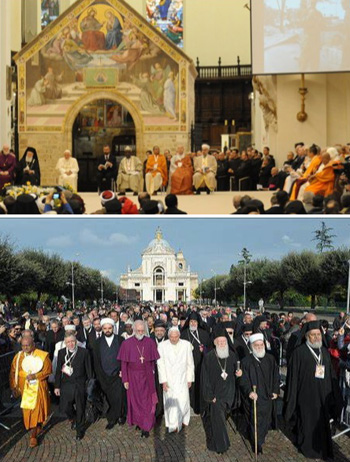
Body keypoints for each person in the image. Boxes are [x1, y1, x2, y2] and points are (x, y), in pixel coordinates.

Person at [284, 321, 343, 460]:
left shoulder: (324, 352)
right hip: (306, 396)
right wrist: (292, 398)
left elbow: (331, 373)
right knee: (307, 423)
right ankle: (307, 448)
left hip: (323, 395)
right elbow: (292, 378)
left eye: (318, 334)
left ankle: (322, 447)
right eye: (313, 335)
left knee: (322, 424)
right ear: (307, 336)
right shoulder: (299, 353)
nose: (316, 337)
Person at [201, 328, 242, 454]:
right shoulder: (208, 357)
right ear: (214, 343)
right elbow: (204, 378)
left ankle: (218, 441)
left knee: (222, 418)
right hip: (216, 395)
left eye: (224, 342)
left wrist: (239, 374)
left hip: (230, 393)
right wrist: (209, 395)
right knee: (217, 420)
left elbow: (237, 374)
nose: (222, 344)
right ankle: (221, 445)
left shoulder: (232, 356)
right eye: (219, 342)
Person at [117, 320, 160, 438]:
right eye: (138, 331)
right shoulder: (127, 343)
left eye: (142, 330)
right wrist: (125, 379)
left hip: (147, 376)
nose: (140, 333)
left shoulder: (150, 342)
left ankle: (146, 426)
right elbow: (124, 363)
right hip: (132, 376)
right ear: (134, 330)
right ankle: (139, 422)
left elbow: (153, 362)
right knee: (135, 401)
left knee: (147, 402)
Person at [239, 333, 280, 454]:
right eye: (256, 345)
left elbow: (276, 376)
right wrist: (249, 392)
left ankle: (260, 438)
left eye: (261, 345)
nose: (259, 347)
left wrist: (275, 390)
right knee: (254, 421)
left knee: (265, 421)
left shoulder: (270, 359)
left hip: (267, 397)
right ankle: (257, 444)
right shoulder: (246, 362)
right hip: (253, 397)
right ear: (251, 346)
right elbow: (243, 380)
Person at [9, 336, 52, 448]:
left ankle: (33, 436)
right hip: (24, 390)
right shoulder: (18, 357)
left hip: (38, 389)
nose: (25, 347)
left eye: (28, 345)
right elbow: (13, 373)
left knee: (36, 410)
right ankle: (35, 427)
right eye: (23, 345)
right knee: (27, 411)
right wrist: (13, 387)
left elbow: (48, 371)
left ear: (33, 344)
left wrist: (36, 376)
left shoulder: (42, 355)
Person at [54, 333, 92, 440]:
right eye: (68, 342)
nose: (70, 344)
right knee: (66, 406)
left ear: (76, 341)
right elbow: (58, 371)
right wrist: (57, 386)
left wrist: (89, 385)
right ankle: (73, 418)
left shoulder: (84, 352)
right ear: (65, 343)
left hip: (80, 384)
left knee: (80, 407)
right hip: (66, 384)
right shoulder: (61, 353)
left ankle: (80, 430)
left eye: (72, 341)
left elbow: (89, 370)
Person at [157, 327, 195, 432]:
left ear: (179, 336)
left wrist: (190, 378)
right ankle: (172, 425)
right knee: (171, 403)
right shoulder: (162, 346)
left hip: (182, 378)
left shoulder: (186, 345)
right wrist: (163, 381)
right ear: (168, 336)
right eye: (171, 337)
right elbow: (160, 365)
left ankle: (183, 419)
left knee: (183, 401)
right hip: (169, 379)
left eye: (176, 337)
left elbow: (190, 363)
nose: (174, 339)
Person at [92, 317, 125, 429]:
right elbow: (96, 361)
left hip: (117, 375)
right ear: (102, 329)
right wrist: (100, 375)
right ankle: (111, 419)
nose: (107, 330)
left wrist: (122, 371)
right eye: (105, 328)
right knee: (108, 398)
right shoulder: (97, 343)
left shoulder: (120, 340)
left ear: (113, 328)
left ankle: (120, 415)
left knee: (119, 397)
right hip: (104, 376)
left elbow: (124, 358)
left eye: (109, 328)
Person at [180, 312, 211, 414]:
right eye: (191, 321)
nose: (193, 323)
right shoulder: (183, 334)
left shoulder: (204, 334)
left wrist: (204, 350)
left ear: (198, 323)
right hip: (187, 366)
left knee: (199, 385)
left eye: (195, 322)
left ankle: (199, 406)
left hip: (200, 365)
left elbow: (210, 349)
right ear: (189, 322)